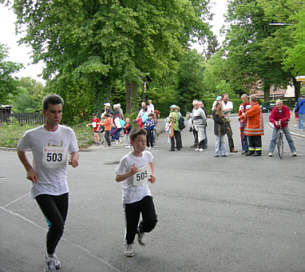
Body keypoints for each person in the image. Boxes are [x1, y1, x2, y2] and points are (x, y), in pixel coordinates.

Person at [17, 94, 79, 272]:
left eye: (59, 112)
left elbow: (75, 151)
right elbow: (20, 149)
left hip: (62, 187)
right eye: (53, 112)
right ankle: (50, 256)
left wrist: (74, 159)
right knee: (57, 225)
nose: (57, 115)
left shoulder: (68, 132)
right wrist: (29, 168)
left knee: (59, 227)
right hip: (42, 188)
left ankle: (50, 250)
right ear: (45, 113)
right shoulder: (32, 135)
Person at [115, 128, 158, 257]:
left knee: (151, 220)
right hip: (130, 197)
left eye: (144, 141)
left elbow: (150, 164)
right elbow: (117, 178)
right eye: (139, 141)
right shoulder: (126, 160)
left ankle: (141, 229)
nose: (143, 144)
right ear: (132, 142)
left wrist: (151, 175)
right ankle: (129, 243)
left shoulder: (147, 155)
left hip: (144, 193)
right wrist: (130, 173)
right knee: (131, 224)